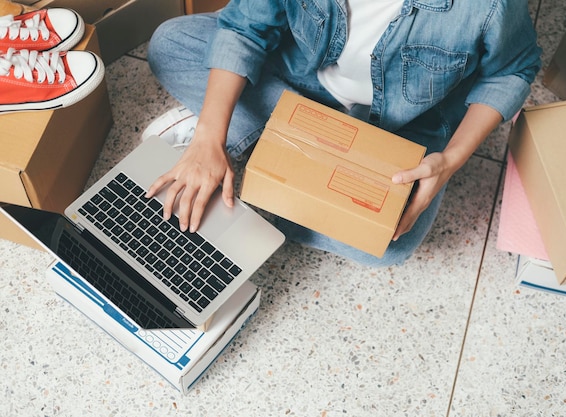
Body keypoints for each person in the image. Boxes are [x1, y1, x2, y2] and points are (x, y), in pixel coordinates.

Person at [144, 0, 542, 267]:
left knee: (387, 246)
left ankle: (263, 159)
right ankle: (254, 149)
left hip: (397, 126)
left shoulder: (488, 6)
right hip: (298, 79)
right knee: (170, 44)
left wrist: (450, 161)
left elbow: (511, 72)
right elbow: (245, 27)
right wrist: (208, 140)